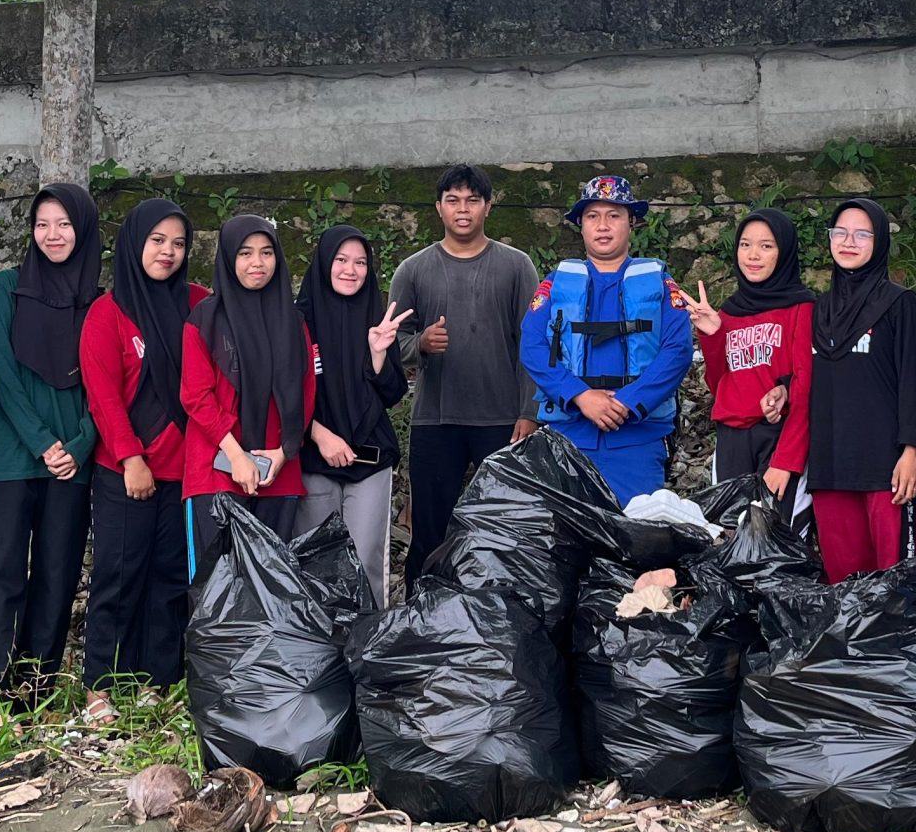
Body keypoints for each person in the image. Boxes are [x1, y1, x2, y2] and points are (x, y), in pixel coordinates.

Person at [0, 183, 100, 711]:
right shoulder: (8, 287)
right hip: (10, 455)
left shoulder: (100, 304)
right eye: (42, 224)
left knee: (56, 574)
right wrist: (44, 443)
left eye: (64, 224)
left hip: (73, 462)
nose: (52, 235)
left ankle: (33, 691)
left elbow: (108, 384)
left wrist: (81, 445)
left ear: (82, 229)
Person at [79, 198, 202, 689]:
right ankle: (103, 684)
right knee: (119, 574)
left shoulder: (198, 302)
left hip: (186, 468)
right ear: (134, 244)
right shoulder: (108, 313)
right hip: (125, 469)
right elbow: (104, 396)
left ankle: (159, 680)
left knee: (171, 579)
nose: (167, 252)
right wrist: (132, 459)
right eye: (157, 241)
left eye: (178, 244)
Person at [389, 165, 538, 566]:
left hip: (503, 419)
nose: (463, 209)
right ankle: (422, 617)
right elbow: (392, 340)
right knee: (430, 533)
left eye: (472, 200)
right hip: (435, 421)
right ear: (438, 208)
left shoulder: (516, 266)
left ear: (488, 207)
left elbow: (534, 342)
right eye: (453, 200)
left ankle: (506, 617)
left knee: (509, 532)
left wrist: (529, 412)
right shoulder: (413, 270)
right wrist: (420, 343)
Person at [520, 173, 694, 505]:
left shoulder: (661, 284)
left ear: (632, 222)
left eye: (614, 215)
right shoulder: (554, 285)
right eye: (592, 216)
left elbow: (678, 350)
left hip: (638, 441)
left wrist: (628, 402)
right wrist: (580, 396)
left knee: (638, 540)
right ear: (581, 225)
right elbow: (532, 346)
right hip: (567, 439)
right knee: (568, 542)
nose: (603, 225)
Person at [181, 214, 318, 574]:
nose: (257, 263)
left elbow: (305, 391)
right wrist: (237, 456)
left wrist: (283, 453)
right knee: (215, 591)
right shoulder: (204, 320)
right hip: (217, 473)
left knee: (272, 594)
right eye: (245, 253)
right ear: (228, 259)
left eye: (266, 252)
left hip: (277, 472)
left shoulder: (293, 322)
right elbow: (196, 396)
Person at [802, 197, 916, 582]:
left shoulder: (898, 303)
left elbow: (912, 379)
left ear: (879, 242)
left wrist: (912, 451)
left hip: (885, 468)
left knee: (897, 585)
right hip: (830, 467)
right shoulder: (818, 310)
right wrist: (782, 391)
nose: (848, 242)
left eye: (861, 234)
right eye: (840, 232)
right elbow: (807, 378)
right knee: (846, 588)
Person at [293, 226, 412, 604]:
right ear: (325, 263)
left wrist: (378, 354)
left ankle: (367, 653)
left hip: (369, 459)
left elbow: (393, 393)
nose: (351, 270)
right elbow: (281, 394)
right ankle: (317, 657)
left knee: (366, 564)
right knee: (315, 565)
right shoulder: (297, 321)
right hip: (314, 459)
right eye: (341, 260)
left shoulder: (376, 316)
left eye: (360, 262)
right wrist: (318, 434)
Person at [672, 207, 813, 506]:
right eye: (745, 244)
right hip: (732, 439)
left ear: (784, 252)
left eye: (766, 246)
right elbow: (718, 383)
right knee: (732, 538)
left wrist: (785, 461)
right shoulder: (728, 313)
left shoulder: (802, 309)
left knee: (779, 540)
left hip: (778, 437)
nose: (753, 255)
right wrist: (712, 335)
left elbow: (806, 387)